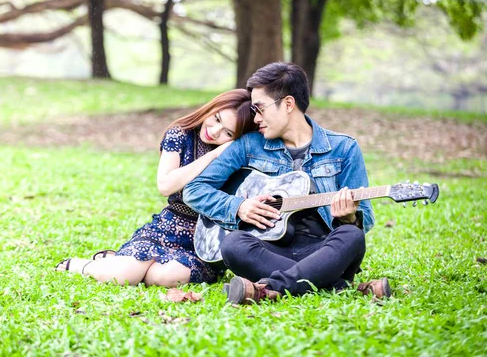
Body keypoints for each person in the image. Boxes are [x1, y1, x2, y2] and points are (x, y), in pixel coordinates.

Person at [183, 62, 391, 304]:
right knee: (232, 244)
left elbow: (362, 221)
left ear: (288, 104)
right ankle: (337, 286)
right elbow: (194, 190)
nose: (256, 118)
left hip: (322, 250)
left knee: (351, 238)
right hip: (267, 249)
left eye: (259, 109)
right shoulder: (249, 145)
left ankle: (268, 289)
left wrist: (347, 218)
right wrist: (238, 206)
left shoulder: (344, 148)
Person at [56, 89, 257, 287]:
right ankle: (88, 266)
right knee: (122, 276)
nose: (214, 131)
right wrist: (213, 155)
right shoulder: (180, 135)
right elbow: (166, 185)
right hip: (168, 228)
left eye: (227, 133)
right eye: (217, 119)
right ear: (211, 108)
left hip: (206, 240)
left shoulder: (239, 153)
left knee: (164, 277)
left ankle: (121, 261)